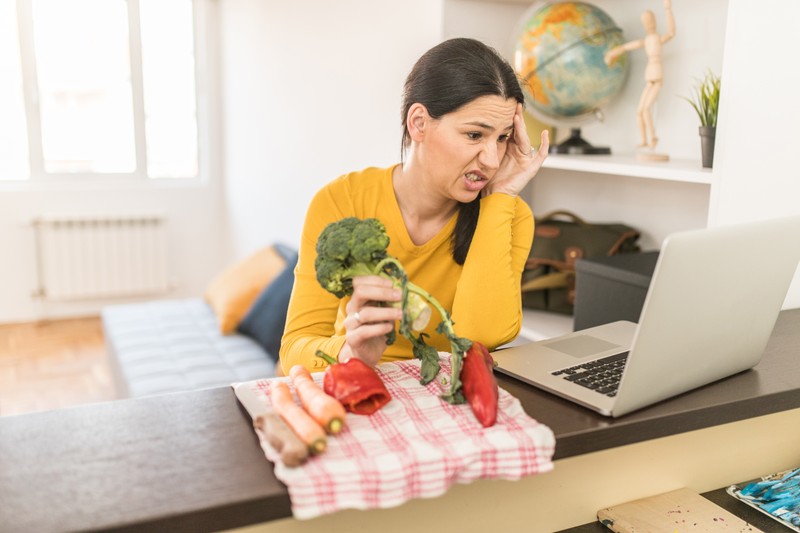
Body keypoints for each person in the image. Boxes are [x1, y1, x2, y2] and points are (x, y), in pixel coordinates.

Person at [279, 38, 549, 374]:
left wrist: (500, 197)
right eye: (475, 135)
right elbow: (294, 350)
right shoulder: (342, 200)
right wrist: (351, 350)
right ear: (418, 123)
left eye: (502, 137)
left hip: (447, 401)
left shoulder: (509, 215)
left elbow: (481, 338)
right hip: (356, 379)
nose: (492, 160)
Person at [604, 0, 676, 152]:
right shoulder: (647, 40)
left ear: (654, 22)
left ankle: (653, 138)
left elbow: (671, 32)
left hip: (657, 74)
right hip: (649, 75)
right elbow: (627, 47)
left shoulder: (657, 39)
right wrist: (613, 52)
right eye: (646, 22)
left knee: (646, 110)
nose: (648, 24)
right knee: (639, 112)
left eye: (650, 21)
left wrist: (668, 9)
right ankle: (645, 140)